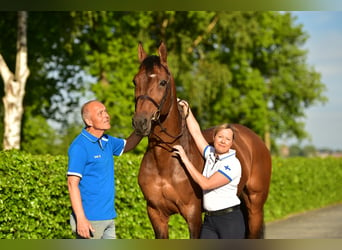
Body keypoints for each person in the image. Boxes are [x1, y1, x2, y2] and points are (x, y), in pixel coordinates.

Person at [67, 100, 142, 239]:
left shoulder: (107, 140)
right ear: (89, 121)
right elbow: (72, 184)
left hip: (109, 217)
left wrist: (143, 127)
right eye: (100, 113)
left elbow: (127, 145)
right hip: (90, 220)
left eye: (105, 111)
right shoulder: (80, 146)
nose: (106, 115)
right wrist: (81, 219)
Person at [173, 99, 245, 239]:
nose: (223, 141)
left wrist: (185, 159)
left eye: (227, 139)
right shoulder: (210, 154)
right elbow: (196, 132)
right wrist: (187, 108)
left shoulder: (232, 164)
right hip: (209, 221)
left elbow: (206, 184)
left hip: (229, 220)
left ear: (231, 143)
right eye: (220, 137)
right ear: (214, 137)